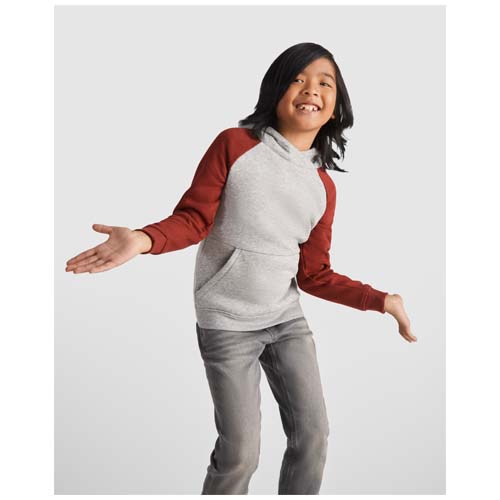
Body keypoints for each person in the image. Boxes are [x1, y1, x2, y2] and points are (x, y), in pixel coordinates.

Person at [65, 42, 416, 495]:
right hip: (227, 323)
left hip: (286, 321)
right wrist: (142, 238)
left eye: (324, 83)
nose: (311, 90)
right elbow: (194, 219)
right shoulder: (235, 145)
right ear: (276, 90)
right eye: (298, 79)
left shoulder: (323, 187)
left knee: (313, 437)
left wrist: (382, 300)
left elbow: (314, 274)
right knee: (239, 454)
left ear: (336, 105)